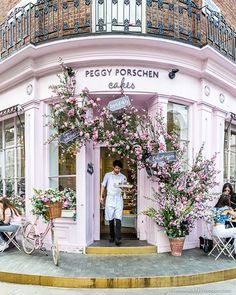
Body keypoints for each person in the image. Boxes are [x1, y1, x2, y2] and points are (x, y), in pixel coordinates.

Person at [100, 160, 127, 246]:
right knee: (111, 218)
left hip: (118, 199)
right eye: (116, 168)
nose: (117, 170)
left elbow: (125, 189)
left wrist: (124, 189)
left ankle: (118, 238)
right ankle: (112, 236)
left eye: (119, 168)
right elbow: (103, 185)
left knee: (118, 218)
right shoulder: (107, 175)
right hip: (110, 198)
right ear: (113, 167)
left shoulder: (123, 177)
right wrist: (101, 196)